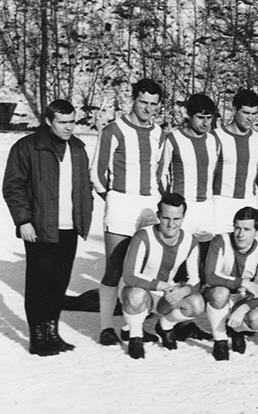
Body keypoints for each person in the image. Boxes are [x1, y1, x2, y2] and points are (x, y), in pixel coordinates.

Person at [3, 99, 93, 356]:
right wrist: (23, 221)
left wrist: (84, 214)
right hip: (40, 227)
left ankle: (52, 332)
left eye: (72, 122)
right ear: (48, 121)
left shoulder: (77, 148)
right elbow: (13, 186)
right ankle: (37, 336)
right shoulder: (28, 147)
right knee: (38, 283)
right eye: (63, 123)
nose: (69, 128)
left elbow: (84, 184)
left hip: (68, 228)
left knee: (58, 284)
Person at [90, 78, 165, 346]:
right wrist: (111, 199)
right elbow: (97, 173)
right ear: (133, 99)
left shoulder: (159, 134)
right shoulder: (114, 130)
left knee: (148, 267)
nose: (148, 108)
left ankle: (133, 325)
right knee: (114, 268)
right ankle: (106, 326)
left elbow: (161, 173)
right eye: (143, 102)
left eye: (153, 104)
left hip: (149, 205)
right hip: (121, 204)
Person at [157, 93, 219, 341]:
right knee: (178, 270)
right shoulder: (173, 139)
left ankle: (185, 320)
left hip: (206, 210)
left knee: (200, 272)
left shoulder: (214, 141)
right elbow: (161, 175)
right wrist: (174, 207)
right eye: (201, 118)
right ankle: (170, 323)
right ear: (188, 116)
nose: (206, 123)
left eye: (209, 118)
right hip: (184, 211)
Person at [120, 193, 205, 359]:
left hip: (164, 294)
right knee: (136, 294)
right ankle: (135, 336)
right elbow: (129, 276)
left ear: (183, 217)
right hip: (137, 290)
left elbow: (196, 280)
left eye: (177, 219)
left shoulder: (190, 240)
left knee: (197, 304)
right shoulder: (143, 236)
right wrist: (162, 286)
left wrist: (184, 291)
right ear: (158, 215)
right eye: (166, 218)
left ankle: (165, 326)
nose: (171, 224)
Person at [203, 207, 258, 361]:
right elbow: (209, 277)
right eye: (237, 228)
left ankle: (236, 330)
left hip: (240, 298)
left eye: (247, 229)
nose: (240, 234)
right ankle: (220, 338)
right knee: (221, 293)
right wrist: (242, 282)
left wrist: (243, 309)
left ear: (257, 231)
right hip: (218, 294)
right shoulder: (220, 241)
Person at [212, 89, 258, 235]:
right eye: (246, 113)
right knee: (220, 248)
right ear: (235, 110)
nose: (250, 118)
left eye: (254, 114)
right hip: (221, 202)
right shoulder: (216, 137)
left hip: (248, 201)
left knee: (245, 250)